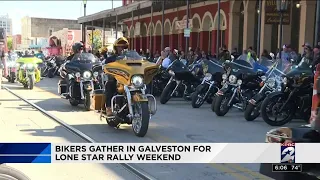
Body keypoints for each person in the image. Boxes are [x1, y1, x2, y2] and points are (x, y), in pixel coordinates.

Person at [104, 37, 130, 117]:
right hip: (116, 79)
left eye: (123, 47)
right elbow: (106, 68)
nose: (121, 49)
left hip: (128, 79)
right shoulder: (110, 59)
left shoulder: (130, 58)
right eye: (119, 47)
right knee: (109, 84)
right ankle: (108, 107)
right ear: (116, 48)